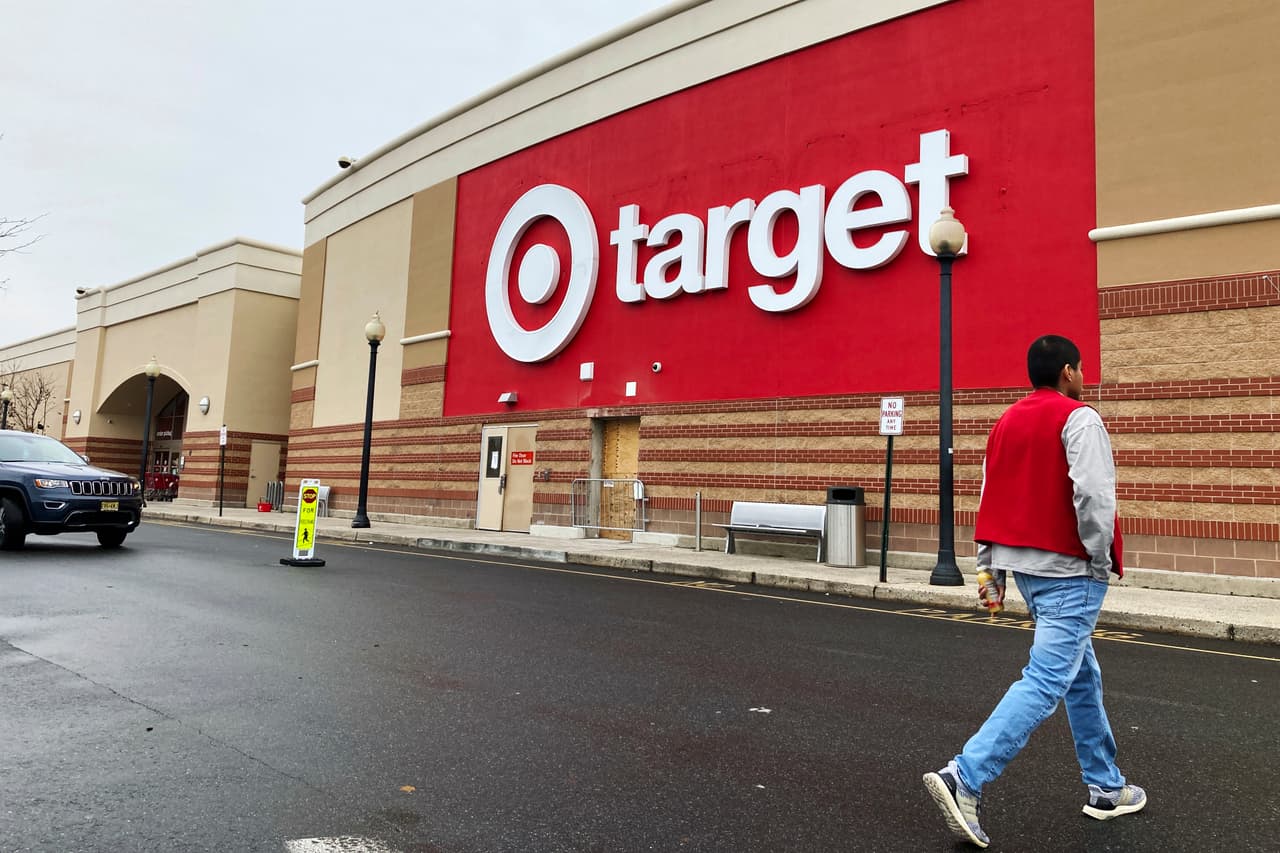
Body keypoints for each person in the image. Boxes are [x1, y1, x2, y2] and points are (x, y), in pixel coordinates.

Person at [922, 334, 1145, 848]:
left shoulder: (1005, 423)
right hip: (1070, 570)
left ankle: (1107, 787)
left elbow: (990, 496)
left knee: (1080, 674)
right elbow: (1092, 494)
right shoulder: (1080, 418)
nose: (1085, 376)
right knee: (1046, 680)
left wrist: (989, 571)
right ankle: (965, 777)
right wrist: (1096, 556)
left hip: (1024, 568)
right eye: (1082, 367)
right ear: (1067, 372)